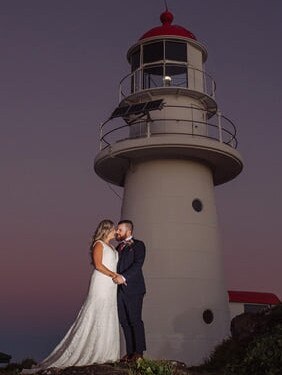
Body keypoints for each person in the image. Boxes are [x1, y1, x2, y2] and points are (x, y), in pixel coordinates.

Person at [24, 219, 120, 372]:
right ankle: (90, 353)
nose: (116, 231)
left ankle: (106, 352)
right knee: (97, 311)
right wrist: (114, 274)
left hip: (111, 285)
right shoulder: (99, 244)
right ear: (107, 229)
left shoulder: (113, 247)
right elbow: (98, 265)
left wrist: (115, 277)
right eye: (114, 228)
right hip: (102, 282)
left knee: (108, 313)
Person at [113, 220, 146, 362]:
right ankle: (130, 352)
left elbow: (138, 264)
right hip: (119, 290)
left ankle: (139, 352)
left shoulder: (139, 245)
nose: (117, 232)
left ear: (129, 231)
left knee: (135, 320)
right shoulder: (117, 247)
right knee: (124, 321)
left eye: (120, 230)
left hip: (134, 288)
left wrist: (123, 277)